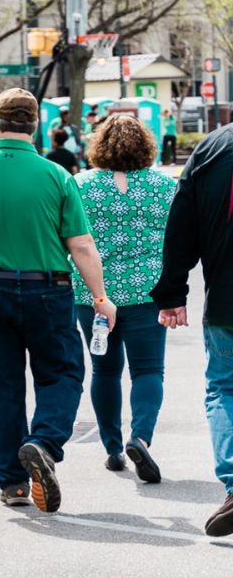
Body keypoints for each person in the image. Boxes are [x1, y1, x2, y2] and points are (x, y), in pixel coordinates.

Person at [0, 88, 115, 512]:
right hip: (48, 290)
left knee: (3, 387)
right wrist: (101, 297)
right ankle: (44, 442)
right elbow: (83, 246)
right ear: (34, 127)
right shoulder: (56, 176)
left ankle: (13, 483)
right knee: (63, 374)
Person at [70, 115, 176, 484]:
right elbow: (177, 239)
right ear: (146, 145)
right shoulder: (164, 187)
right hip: (147, 291)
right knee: (148, 370)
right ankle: (141, 437)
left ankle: (113, 448)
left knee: (105, 370)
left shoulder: (80, 185)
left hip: (93, 293)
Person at [151, 113, 233, 536]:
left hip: (227, 300)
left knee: (225, 388)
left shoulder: (212, 149)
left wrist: (171, 292)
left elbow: (181, 226)